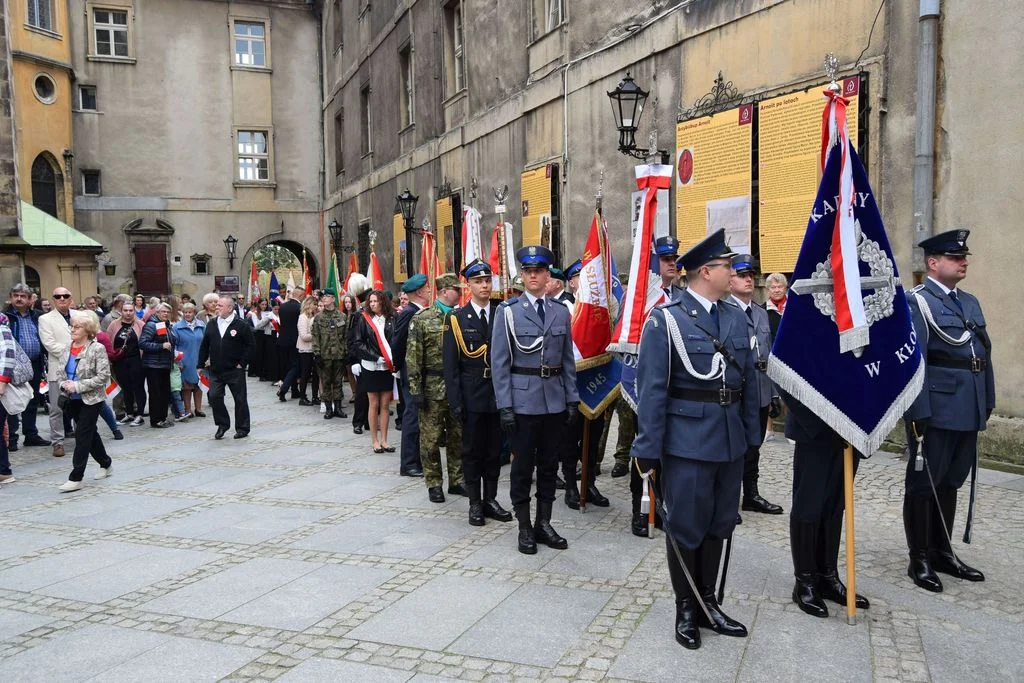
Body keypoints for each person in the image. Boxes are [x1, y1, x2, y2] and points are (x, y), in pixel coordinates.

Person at [631, 229, 759, 650]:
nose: (736, 272)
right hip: (686, 443)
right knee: (687, 527)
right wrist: (647, 451)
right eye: (728, 266)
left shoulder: (736, 316)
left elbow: (747, 382)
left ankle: (709, 602)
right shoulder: (666, 319)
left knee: (720, 524)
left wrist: (750, 436)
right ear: (706, 272)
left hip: (728, 441)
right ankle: (686, 607)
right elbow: (652, 391)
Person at [904, 229, 992, 593]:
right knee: (924, 483)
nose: (963, 262)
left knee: (952, 480)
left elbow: (983, 355)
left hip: (966, 405)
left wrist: (985, 400)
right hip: (936, 407)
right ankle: (919, 558)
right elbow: (914, 359)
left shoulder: (969, 302)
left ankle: (942, 550)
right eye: (956, 258)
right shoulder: (918, 301)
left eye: (964, 257)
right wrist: (918, 412)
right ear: (933, 263)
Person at [491, 245, 578, 555]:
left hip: (554, 401)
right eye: (527, 271)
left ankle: (545, 522)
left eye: (538, 271)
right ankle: (524, 526)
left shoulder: (559, 311)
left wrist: (572, 399)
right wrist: (505, 406)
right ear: (522, 275)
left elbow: (567, 358)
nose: (533, 276)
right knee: (522, 467)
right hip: (523, 403)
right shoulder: (509, 312)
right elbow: (500, 363)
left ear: (547, 275)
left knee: (549, 466)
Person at [443, 259, 512, 525]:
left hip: (497, 395)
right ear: (467, 285)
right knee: (472, 451)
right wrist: (455, 402)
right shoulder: (457, 319)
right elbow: (451, 365)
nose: (484, 285)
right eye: (478, 281)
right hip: (471, 396)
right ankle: (474, 502)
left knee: (495, 451)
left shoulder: (502, 313)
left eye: (487, 280)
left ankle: (491, 499)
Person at [725, 254, 783, 518]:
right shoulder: (724, 311)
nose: (749, 279)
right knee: (735, 447)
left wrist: (773, 394)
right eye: (742, 275)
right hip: (738, 394)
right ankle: (728, 498)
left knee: (754, 446)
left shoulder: (761, 313)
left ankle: (751, 495)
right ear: (730, 279)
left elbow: (767, 356)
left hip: (760, 390)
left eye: (751, 275)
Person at [408, 273, 465, 502]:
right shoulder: (422, 319)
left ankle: (457, 480)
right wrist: (415, 389)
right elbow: (413, 357)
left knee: (457, 436)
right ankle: (434, 483)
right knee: (430, 439)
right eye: (456, 289)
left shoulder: (461, 317)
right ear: (443, 291)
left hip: (457, 387)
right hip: (432, 387)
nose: (460, 293)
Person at [56, 312, 114, 492]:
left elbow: (103, 376)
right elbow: (60, 372)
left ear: (87, 330)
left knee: (82, 434)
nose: (72, 329)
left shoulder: (97, 348)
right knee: (90, 433)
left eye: (77, 327)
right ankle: (106, 462)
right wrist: (64, 384)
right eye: (71, 326)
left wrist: (78, 386)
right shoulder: (67, 347)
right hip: (71, 399)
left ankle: (76, 477)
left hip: (91, 398)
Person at [197, 294, 255, 439]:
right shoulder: (212, 323)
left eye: (220, 306)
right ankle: (223, 424)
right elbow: (205, 345)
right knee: (215, 396)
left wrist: (242, 363)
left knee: (240, 399)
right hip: (216, 370)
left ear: (230, 308)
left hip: (234, 370)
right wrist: (200, 364)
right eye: (216, 305)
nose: (217, 308)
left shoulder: (241, 324)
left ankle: (242, 428)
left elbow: (251, 346)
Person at [393, 274, 429, 476]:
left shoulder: (417, 311)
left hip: (415, 369)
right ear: (419, 291)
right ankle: (408, 463)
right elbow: (398, 342)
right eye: (426, 288)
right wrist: (398, 367)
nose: (429, 290)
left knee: (416, 416)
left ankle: (415, 459)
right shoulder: (409, 313)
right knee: (411, 416)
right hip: (410, 369)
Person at [39, 287, 82, 457]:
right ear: (53, 299)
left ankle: (83, 437)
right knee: (57, 408)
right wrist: (74, 350)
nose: (62, 298)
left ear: (71, 298)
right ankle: (57, 442)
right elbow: (49, 344)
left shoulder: (79, 316)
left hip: (80, 367)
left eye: (66, 296)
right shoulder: (45, 319)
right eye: (58, 296)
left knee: (80, 405)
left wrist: (82, 351)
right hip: (58, 369)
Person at [351, 290, 396, 452]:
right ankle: (375, 441)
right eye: (371, 302)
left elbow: (395, 340)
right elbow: (358, 342)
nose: (373, 304)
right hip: (371, 365)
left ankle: (385, 440)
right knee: (373, 403)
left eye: (376, 301)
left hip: (387, 367)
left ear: (383, 302)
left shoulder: (392, 318)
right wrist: (375, 357)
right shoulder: (364, 319)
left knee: (385, 404)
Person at [4, 283, 47, 451]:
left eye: (23, 296)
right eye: (16, 295)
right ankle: (12, 438)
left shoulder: (37, 316)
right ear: (11, 297)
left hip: (34, 363)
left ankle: (31, 434)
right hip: (13, 365)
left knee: (32, 398)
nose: (19, 298)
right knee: (13, 400)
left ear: (30, 299)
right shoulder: (5, 316)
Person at [311, 288, 348, 419]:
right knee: (326, 382)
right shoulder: (318, 318)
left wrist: (346, 352)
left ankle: (338, 407)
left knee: (338, 382)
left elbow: (345, 336)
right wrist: (317, 353)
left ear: (333, 298)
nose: (324, 299)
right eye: (323, 297)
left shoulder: (342, 316)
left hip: (338, 355)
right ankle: (328, 408)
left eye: (327, 296)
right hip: (324, 355)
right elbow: (315, 336)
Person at [138, 303, 177, 428]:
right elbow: (143, 343)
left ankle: (163, 418)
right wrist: (161, 346)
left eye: (167, 312)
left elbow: (169, 342)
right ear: (157, 313)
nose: (165, 314)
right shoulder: (151, 325)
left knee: (164, 393)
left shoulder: (166, 325)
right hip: (153, 366)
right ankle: (156, 420)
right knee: (156, 394)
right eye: (163, 312)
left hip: (164, 364)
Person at [108, 301, 146, 426]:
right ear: (121, 311)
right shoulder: (114, 324)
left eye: (131, 310)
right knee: (126, 388)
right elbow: (108, 342)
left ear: (134, 311)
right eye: (126, 310)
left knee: (138, 387)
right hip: (120, 362)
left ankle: (139, 414)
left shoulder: (140, 324)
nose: (128, 313)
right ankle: (129, 413)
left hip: (136, 360)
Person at [173, 303, 206, 417]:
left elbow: (207, 343)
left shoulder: (201, 325)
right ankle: (188, 410)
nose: (187, 314)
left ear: (194, 313)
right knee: (186, 387)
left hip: (199, 359)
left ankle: (198, 409)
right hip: (185, 361)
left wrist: (208, 358)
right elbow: (174, 346)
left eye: (190, 312)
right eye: (185, 312)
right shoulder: (177, 327)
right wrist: (178, 360)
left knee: (199, 385)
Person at [276, 288, 304, 401]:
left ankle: (295, 390)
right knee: (296, 366)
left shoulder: (283, 307)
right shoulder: (299, 308)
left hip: (282, 340)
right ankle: (284, 389)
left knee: (290, 366)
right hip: (294, 341)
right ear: (301, 296)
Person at [296, 295, 320, 405]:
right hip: (305, 350)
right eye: (315, 305)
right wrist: (316, 335)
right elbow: (304, 336)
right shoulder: (303, 317)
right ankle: (302, 397)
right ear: (309, 305)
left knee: (316, 374)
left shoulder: (313, 316)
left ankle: (315, 396)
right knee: (305, 374)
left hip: (314, 349)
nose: (316, 307)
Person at [653, 236, 684, 302]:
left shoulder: (684, 295)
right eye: (667, 259)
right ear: (655, 262)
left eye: (674, 259)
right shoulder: (645, 295)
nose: (672, 263)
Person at [247, 298, 271, 379]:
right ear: (259, 305)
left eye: (265, 304)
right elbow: (256, 325)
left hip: (265, 334)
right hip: (257, 334)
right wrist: (265, 322)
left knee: (263, 353)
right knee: (257, 352)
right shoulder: (255, 313)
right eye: (262, 304)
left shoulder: (268, 313)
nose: (264, 306)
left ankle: (260, 370)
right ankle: (253, 371)